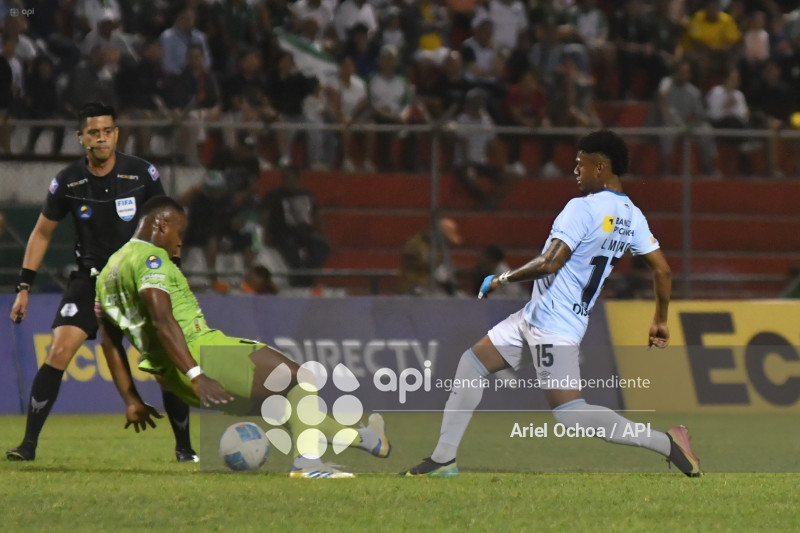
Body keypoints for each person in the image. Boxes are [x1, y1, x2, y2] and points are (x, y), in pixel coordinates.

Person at [402, 130, 702, 478]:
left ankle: (667, 443)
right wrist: (660, 320)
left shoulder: (582, 208)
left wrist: (502, 279)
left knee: (570, 413)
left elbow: (549, 262)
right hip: (541, 316)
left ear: (601, 167)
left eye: (581, 164)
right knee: (471, 364)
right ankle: (442, 460)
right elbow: (663, 271)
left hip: (553, 325)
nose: (576, 171)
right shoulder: (632, 215)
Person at [95, 196, 390, 478]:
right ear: (160, 225)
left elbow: (109, 342)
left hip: (174, 379)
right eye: (178, 232)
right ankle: (308, 463)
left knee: (290, 408)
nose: (179, 243)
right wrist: (197, 373)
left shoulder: (107, 272)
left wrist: (131, 399)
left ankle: (368, 439)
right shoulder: (150, 258)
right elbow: (162, 319)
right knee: (298, 379)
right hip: (200, 355)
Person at [6, 102, 197, 463]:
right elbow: (42, 233)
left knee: (166, 366)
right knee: (59, 351)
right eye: (94, 132)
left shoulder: (140, 174)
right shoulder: (67, 181)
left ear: (116, 134)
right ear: (81, 138)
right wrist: (24, 287)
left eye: (108, 131)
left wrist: (174, 271)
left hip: (138, 281)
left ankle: (185, 448)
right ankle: (28, 445)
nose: (102, 138)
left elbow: (166, 222)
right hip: (90, 280)